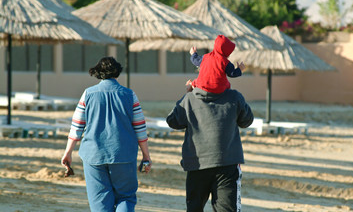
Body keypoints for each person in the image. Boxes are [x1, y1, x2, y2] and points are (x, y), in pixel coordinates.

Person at [61, 56, 151, 212]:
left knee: (100, 201)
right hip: (124, 154)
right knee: (126, 197)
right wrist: (146, 156)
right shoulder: (129, 95)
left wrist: (67, 153)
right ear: (117, 73)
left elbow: (76, 127)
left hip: (93, 155)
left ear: (99, 73)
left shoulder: (88, 94)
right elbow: (140, 128)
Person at [166, 86, 253, 212]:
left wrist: (189, 94)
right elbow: (247, 120)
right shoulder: (234, 97)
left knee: (194, 208)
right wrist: (227, 90)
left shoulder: (190, 99)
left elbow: (173, 121)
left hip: (197, 164)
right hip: (227, 164)